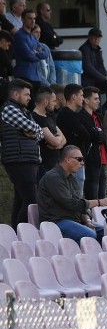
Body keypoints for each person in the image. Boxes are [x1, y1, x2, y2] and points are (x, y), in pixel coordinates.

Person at [37, 145, 107, 242]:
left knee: (104, 232)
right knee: (89, 235)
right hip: (56, 221)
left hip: (72, 219)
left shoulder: (71, 178)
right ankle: (80, 257)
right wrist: (99, 202)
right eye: (79, 159)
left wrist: (87, 220)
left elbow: (79, 202)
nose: (82, 163)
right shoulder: (53, 178)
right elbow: (71, 204)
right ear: (68, 159)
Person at [1, 80, 44, 226]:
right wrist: (31, 131)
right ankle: (23, 232)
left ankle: (16, 232)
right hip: (19, 160)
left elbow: (39, 132)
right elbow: (31, 127)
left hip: (25, 159)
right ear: (15, 94)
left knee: (21, 200)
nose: (29, 98)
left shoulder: (22, 110)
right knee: (30, 200)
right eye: (26, 94)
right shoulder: (9, 109)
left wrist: (33, 132)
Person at [32, 87, 65, 179]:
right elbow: (55, 141)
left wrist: (57, 143)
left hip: (55, 163)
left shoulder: (50, 116)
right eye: (54, 101)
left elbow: (64, 139)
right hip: (44, 165)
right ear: (46, 102)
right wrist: (57, 141)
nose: (56, 103)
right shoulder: (36, 118)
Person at [79, 28, 107, 107]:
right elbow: (87, 67)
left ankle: (106, 108)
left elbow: (101, 66)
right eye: (94, 37)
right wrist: (103, 78)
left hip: (97, 80)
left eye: (98, 37)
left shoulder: (97, 50)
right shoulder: (84, 49)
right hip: (89, 81)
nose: (96, 39)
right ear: (89, 37)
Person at [11, 10, 49, 85]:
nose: (33, 21)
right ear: (22, 19)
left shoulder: (33, 37)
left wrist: (35, 53)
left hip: (36, 76)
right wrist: (37, 53)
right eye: (30, 18)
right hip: (24, 76)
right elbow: (28, 55)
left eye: (34, 18)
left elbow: (46, 52)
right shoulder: (19, 35)